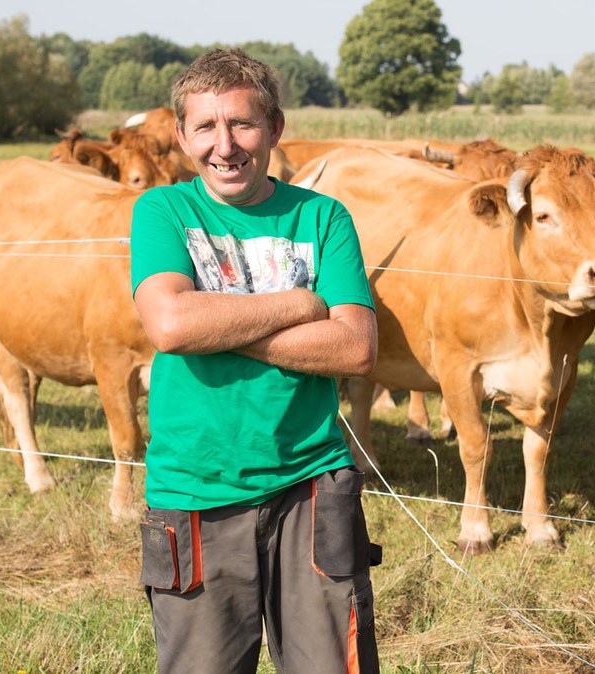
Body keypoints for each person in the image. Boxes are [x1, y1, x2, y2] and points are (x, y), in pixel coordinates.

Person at [129, 48, 380, 674]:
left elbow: (354, 347)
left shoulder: (322, 217)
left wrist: (213, 322)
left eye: (242, 124)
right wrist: (298, 303)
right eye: (206, 127)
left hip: (312, 487)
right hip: (196, 489)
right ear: (183, 135)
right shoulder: (162, 211)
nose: (226, 146)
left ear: (274, 128)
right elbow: (169, 323)